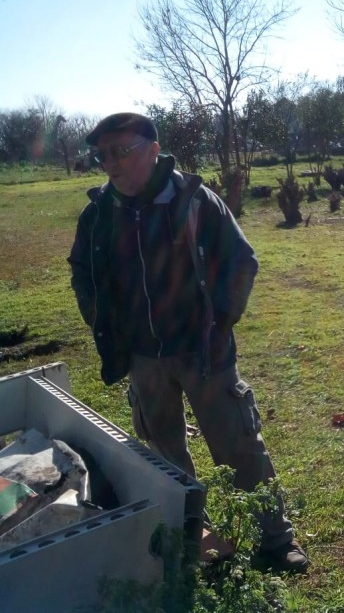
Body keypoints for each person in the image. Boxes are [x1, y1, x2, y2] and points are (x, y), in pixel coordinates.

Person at [67, 112, 308, 573]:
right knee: (165, 454)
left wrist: (220, 323)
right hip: (143, 357)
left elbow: (241, 261)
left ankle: (275, 540)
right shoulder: (98, 214)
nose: (111, 165)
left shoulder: (196, 201)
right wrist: (101, 320)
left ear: (153, 150)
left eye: (121, 151)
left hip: (204, 353)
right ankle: (193, 537)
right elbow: (82, 271)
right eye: (102, 156)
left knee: (239, 446)